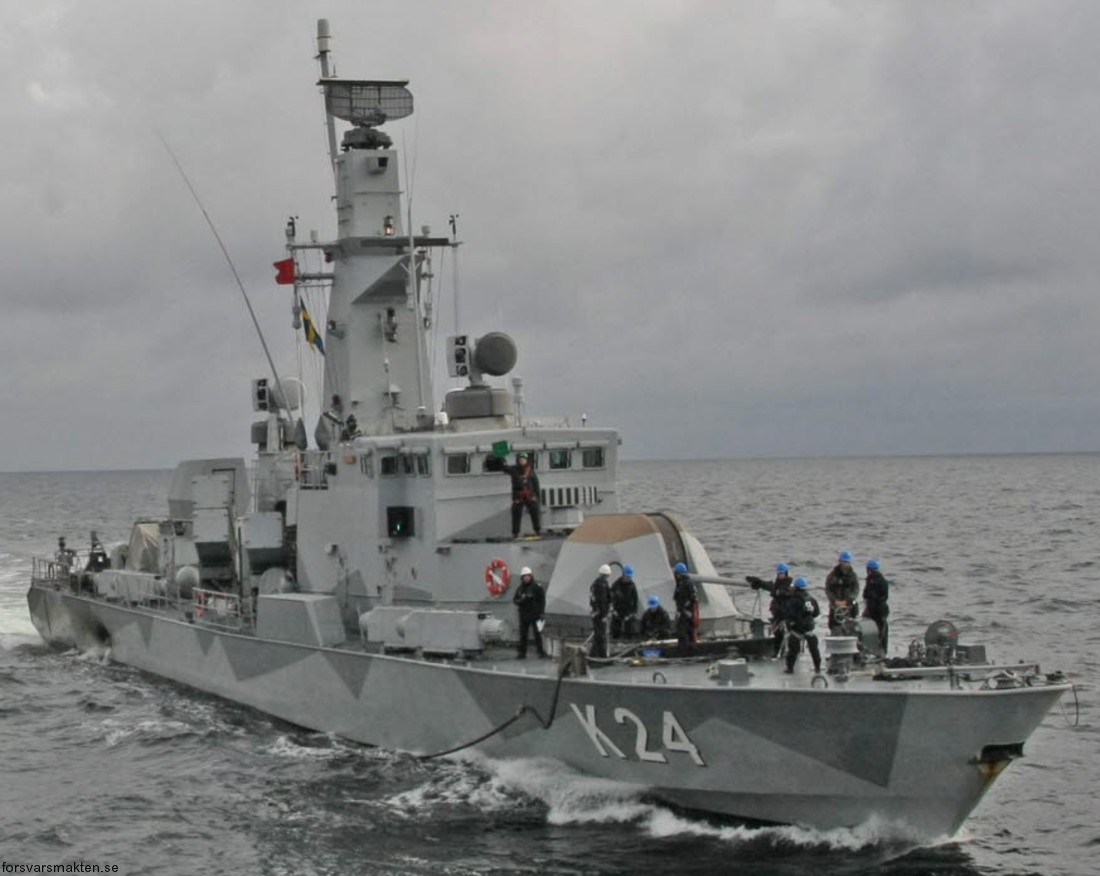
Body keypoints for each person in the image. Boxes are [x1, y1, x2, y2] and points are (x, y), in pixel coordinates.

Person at [748, 562, 795, 656]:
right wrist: (759, 582)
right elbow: (770, 586)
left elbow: (783, 593)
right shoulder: (777, 583)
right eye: (779, 574)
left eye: (782, 573)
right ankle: (777, 652)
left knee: (788, 635)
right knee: (778, 635)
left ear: (786, 573)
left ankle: (789, 653)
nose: (780, 575)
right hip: (778, 614)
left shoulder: (790, 585)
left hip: (787, 615)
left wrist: (775, 591)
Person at [781, 577, 822, 673]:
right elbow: (816, 613)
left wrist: (790, 625)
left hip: (797, 628)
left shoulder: (793, 600)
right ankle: (817, 667)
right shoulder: (812, 599)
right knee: (814, 649)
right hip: (809, 628)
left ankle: (790, 668)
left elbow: (789, 614)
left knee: (793, 650)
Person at [501, 453, 541, 538]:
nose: (522, 461)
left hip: (530, 495)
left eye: (523, 459)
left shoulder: (531, 471)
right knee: (516, 513)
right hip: (518, 496)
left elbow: (536, 484)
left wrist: (537, 497)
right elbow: (504, 468)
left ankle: (537, 530)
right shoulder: (513, 470)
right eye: (520, 459)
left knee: (535, 511)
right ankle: (515, 533)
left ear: (526, 460)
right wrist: (502, 458)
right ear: (518, 460)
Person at [512, 566, 547, 659]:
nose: (526, 578)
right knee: (523, 635)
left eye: (528, 576)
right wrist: (523, 599)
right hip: (524, 615)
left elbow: (542, 600)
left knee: (537, 634)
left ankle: (541, 652)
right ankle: (522, 653)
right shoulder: (520, 589)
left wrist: (542, 613)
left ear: (531, 576)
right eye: (524, 576)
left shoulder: (537, 587)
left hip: (535, 614)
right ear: (522, 577)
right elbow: (515, 600)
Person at [825, 550, 860, 633]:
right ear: (840, 561)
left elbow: (856, 590)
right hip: (835, 607)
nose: (846, 564)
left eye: (847, 562)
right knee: (835, 628)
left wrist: (847, 601)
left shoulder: (853, 576)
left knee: (851, 629)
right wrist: (835, 601)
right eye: (844, 562)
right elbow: (828, 590)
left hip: (849, 607)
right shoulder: (832, 575)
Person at [862, 558, 890, 652]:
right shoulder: (881, 581)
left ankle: (876, 651)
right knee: (881, 634)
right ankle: (882, 652)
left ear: (869, 570)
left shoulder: (872, 581)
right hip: (879, 611)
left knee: (877, 633)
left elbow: (866, 595)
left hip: (877, 611)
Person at [610, 565, 640, 640]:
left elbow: (635, 599)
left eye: (630, 577)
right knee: (615, 628)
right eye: (627, 577)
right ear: (623, 575)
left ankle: (628, 641)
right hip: (617, 609)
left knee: (629, 628)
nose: (628, 578)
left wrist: (633, 611)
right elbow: (610, 596)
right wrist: (612, 609)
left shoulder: (632, 585)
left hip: (628, 610)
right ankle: (615, 640)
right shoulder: (616, 584)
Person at [672, 562, 697, 651]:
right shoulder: (681, 583)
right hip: (682, 611)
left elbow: (692, 598)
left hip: (686, 612)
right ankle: (686, 647)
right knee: (684, 631)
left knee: (683, 631)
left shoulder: (687, 583)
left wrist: (686, 609)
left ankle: (686, 649)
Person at [589, 563, 612, 657]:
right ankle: (601, 656)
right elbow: (603, 600)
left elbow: (593, 600)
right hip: (600, 615)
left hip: (596, 613)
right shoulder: (602, 585)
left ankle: (595, 655)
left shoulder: (595, 584)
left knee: (598, 635)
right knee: (601, 636)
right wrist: (605, 614)